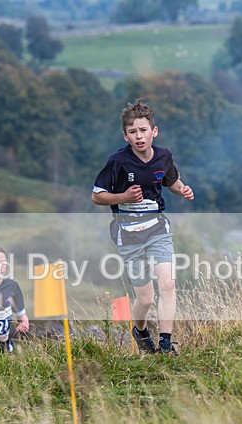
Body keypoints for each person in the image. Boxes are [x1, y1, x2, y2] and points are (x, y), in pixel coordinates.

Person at [91, 98, 194, 355]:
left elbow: (172, 180)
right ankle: (140, 331)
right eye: (133, 132)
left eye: (143, 130)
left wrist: (182, 190)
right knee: (145, 299)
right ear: (125, 136)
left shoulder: (164, 156)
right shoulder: (118, 162)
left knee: (168, 285)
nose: (139, 137)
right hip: (129, 236)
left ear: (154, 131)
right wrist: (123, 197)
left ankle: (167, 343)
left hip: (158, 230)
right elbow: (97, 195)